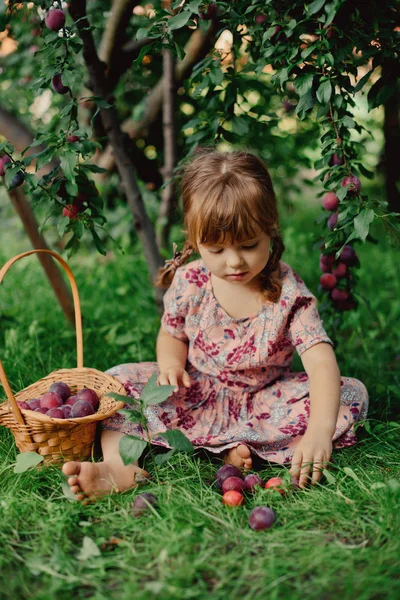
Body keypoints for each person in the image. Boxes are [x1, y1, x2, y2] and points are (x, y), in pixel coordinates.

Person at [62, 149, 368, 501]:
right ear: (194, 240)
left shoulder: (288, 293)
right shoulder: (190, 282)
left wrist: (319, 431)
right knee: (116, 382)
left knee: (350, 393)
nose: (235, 261)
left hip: (264, 401)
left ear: (270, 230)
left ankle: (231, 449)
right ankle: (120, 465)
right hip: (196, 393)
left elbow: (320, 360)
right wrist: (171, 365)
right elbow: (171, 333)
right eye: (216, 249)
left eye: (249, 245)